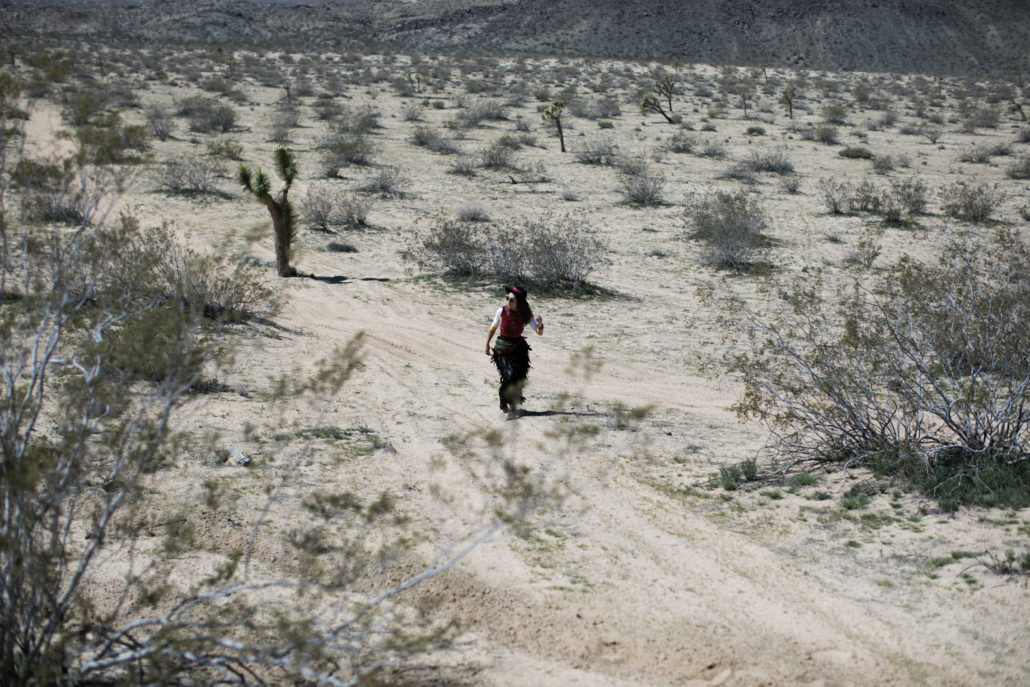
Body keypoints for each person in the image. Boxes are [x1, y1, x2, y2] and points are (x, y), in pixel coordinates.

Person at [485, 285, 543, 418]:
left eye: (512, 300)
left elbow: (539, 332)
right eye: (507, 299)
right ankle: (503, 398)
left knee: (518, 378)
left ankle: (512, 407)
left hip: (519, 350)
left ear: (519, 302)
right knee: (509, 375)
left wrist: (540, 324)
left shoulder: (525, 314)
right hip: (502, 349)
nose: (508, 302)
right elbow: (493, 327)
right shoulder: (501, 311)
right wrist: (487, 344)